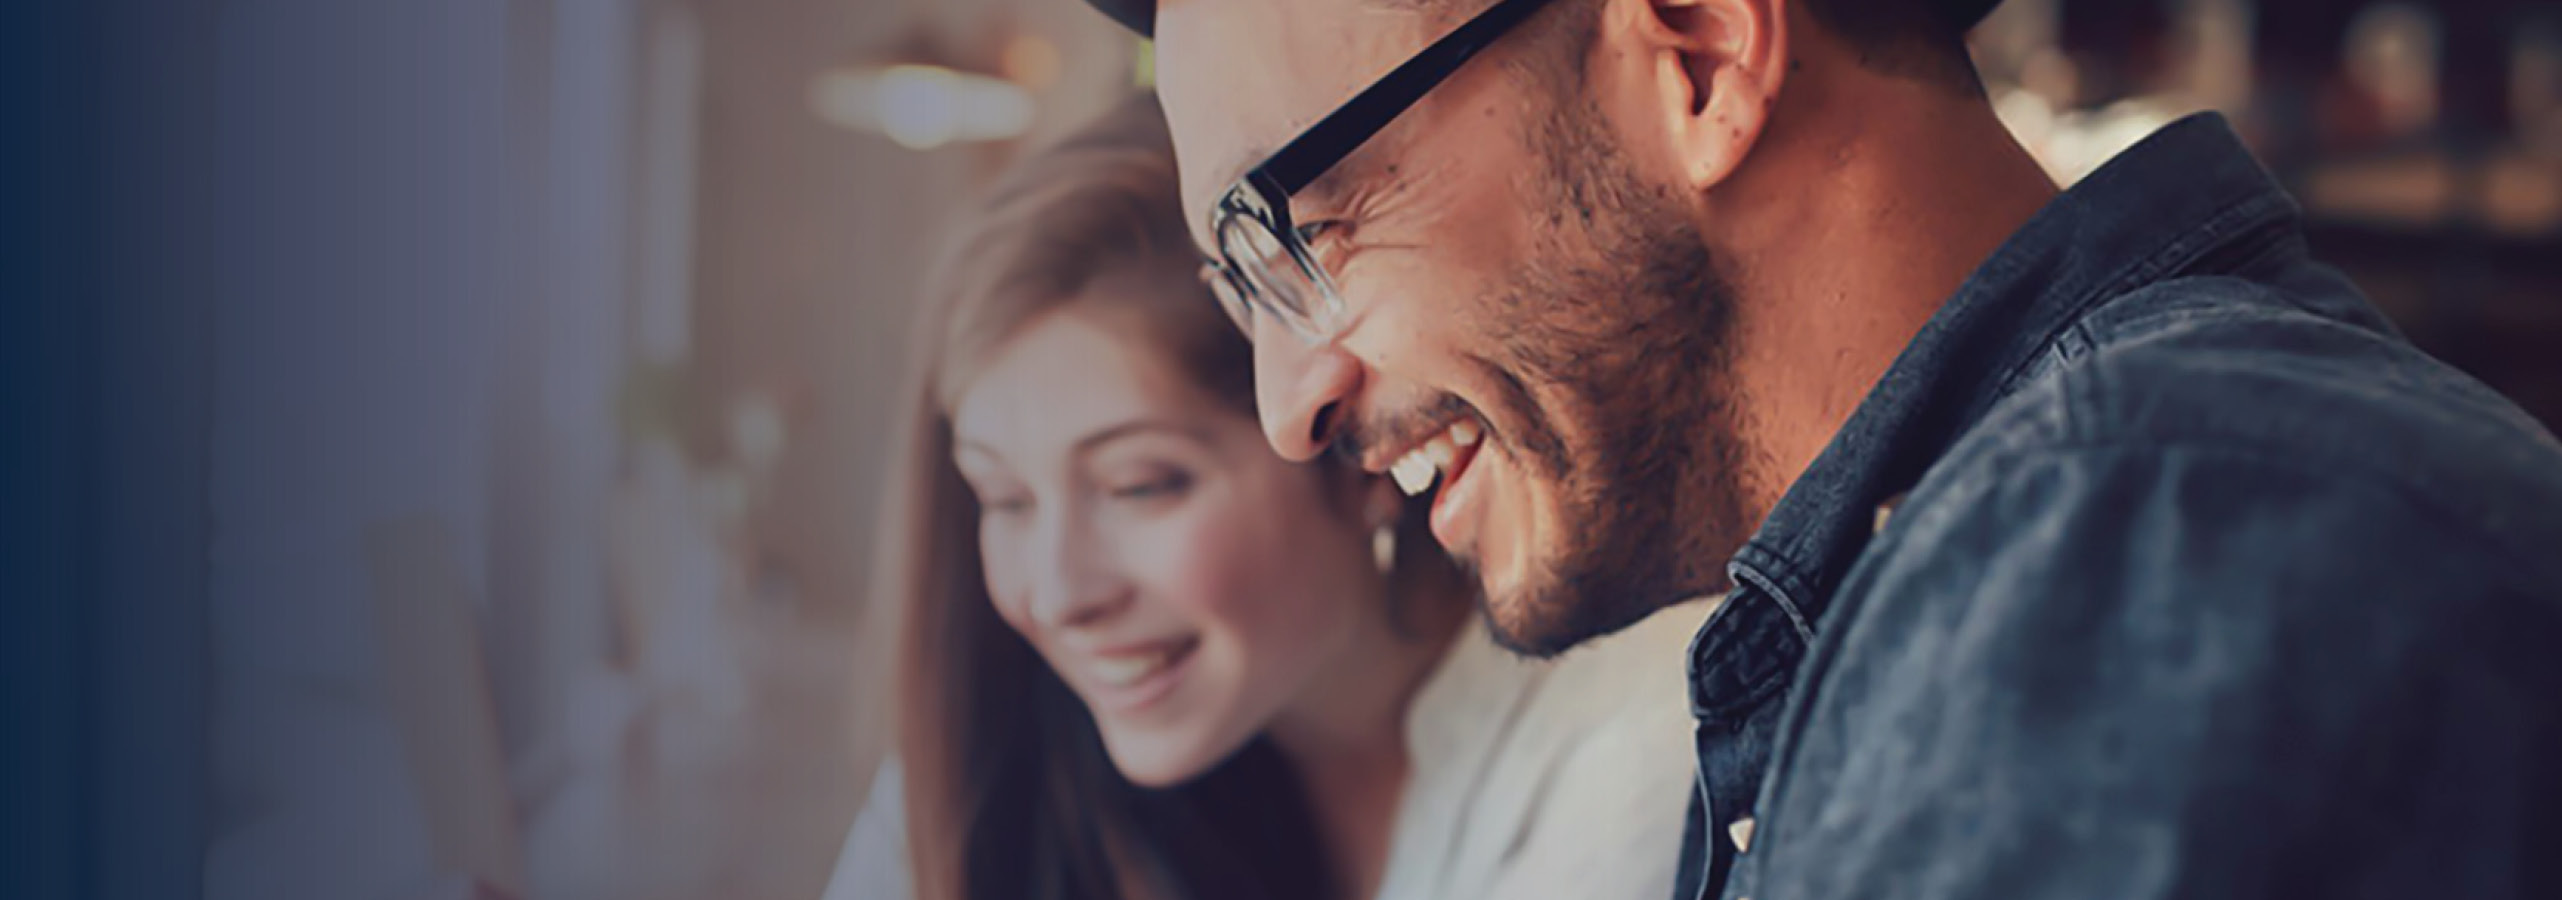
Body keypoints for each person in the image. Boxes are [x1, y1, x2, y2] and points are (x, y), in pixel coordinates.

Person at [1081, 0, 2562, 896]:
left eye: (1306, 226)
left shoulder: (2122, 546)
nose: (1291, 407)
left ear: (1701, 56)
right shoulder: (1978, 562)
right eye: (1242, 293)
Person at [823, 95, 1712, 900]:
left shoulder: (1629, 738)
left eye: (1141, 485)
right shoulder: (982, 781)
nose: (1060, 595)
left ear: (1352, 442)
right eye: (1003, 498)